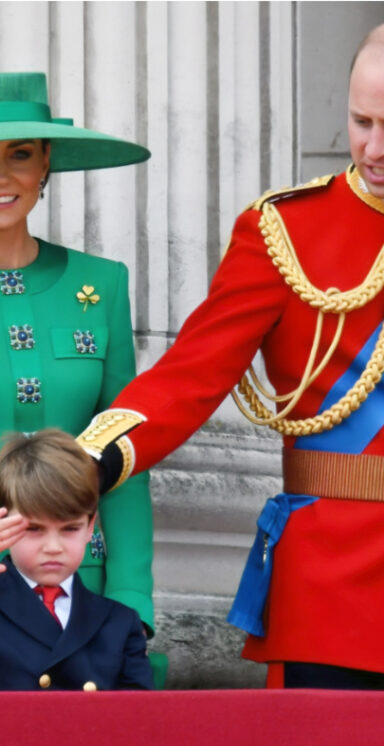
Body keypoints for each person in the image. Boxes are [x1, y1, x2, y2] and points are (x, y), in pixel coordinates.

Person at [76, 19, 384, 690]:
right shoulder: (285, 231)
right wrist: (89, 458)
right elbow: (192, 374)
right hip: (333, 594)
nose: (372, 146)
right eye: (360, 121)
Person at [0, 72, 162, 685]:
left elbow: (127, 452)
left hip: (82, 589)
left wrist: (131, 600)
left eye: (20, 155)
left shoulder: (101, 285)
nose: (3, 175)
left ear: (46, 164)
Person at [0, 429, 153, 690]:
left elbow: (140, 718)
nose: (53, 547)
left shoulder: (119, 622)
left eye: (69, 529)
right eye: (34, 529)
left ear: (90, 526)